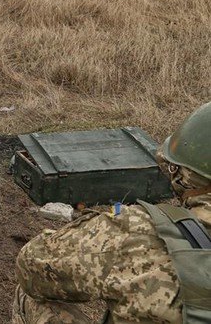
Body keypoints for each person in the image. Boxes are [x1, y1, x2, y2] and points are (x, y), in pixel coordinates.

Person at [12, 102, 211, 324]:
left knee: (30, 297)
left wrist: (98, 229)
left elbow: (31, 264)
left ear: (183, 174)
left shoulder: (138, 230)